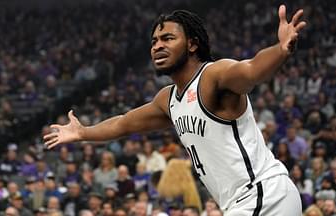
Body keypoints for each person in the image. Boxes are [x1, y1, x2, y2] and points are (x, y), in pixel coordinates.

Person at [44, 5, 306, 215]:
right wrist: (82, 132)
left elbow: (251, 70)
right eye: (154, 40)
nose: (157, 45)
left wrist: (281, 50)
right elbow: (123, 123)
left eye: (168, 38)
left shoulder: (213, 75)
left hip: (265, 195)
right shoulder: (168, 99)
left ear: (192, 44)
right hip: (240, 203)